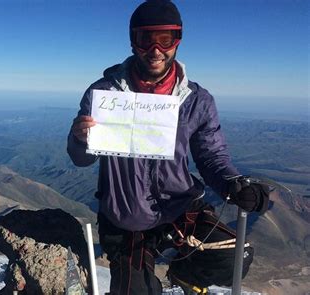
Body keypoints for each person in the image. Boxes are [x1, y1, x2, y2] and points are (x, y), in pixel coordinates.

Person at [67, 1, 270, 294]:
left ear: (179, 40)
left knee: (237, 256)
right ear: (132, 41)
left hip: (180, 207)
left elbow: (211, 155)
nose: (156, 49)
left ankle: (181, 274)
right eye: (145, 39)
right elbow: (81, 159)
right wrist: (79, 139)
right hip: (128, 219)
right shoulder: (104, 93)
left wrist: (234, 184)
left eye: (166, 39)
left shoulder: (196, 100)